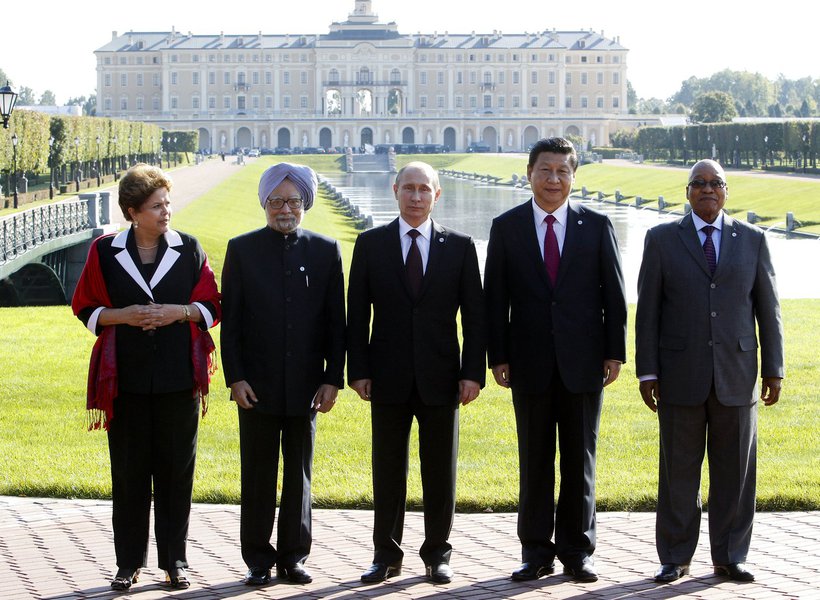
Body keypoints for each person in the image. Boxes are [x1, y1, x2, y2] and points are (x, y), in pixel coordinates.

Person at [71, 164, 221, 591]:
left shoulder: (189, 248)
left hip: (179, 380)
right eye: (157, 206)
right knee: (129, 472)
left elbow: (212, 306)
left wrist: (179, 312)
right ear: (133, 212)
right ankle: (128, 563)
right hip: (126, 381)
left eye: (168, 203)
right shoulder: (104, 252)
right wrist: (124, 317)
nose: (166, 211)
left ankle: (176, 561)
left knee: (177, 472)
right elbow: (85, 309)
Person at [484, 137, 627, 583]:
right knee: (535, 459)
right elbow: (495, 300)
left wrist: (614, 352)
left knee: (580, 460)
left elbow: (615, 296)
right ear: (529, 174)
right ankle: (535, 550)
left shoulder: (597, 225)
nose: (553, 180)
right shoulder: (506, 227)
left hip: (584, 362)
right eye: (545, 170)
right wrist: (498, 355)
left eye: (563, 171)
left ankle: (578, 550)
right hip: (527, 363)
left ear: (573, 176)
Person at [635, 159, 784, 583]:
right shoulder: (662, 239)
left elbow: (768, 309)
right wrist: (647, 372)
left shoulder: (752, 239)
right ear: (687, 192)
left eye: (715, 183)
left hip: (737, 374)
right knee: (678, 472)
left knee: (735, 473)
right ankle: (675, 557)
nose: (707, 189)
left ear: (726, 191)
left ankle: (731, 555)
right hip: (679, 374)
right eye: (698, 183)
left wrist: (773, 368)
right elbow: (648, 311)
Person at [347, 161, 486, 585]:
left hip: (442, 377)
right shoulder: (370, 244)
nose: (416, 197)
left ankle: (437, 555)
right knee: (387, 470)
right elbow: (356, 314)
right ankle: (385, 554)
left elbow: (474, 317)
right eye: (408, 188)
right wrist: (359, 369)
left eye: (424, 189)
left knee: (439, 472)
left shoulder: (459, 246)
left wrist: (471, 373)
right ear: (395, 191)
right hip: (386, 375)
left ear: (437, 195)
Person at [220, 163, 345, 586]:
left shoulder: (325, 250)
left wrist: (333, 378)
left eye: (293, 200)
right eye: (276, 201)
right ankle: (257, 557)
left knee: (299, 475)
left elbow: (336, 323)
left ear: (305, 203)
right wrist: (235, 377)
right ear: (265, 204)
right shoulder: (241, 249)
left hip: (308, 385)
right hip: (256, 384)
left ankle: (293, 556)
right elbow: (231, 322)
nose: (285, 209)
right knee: (257, 473)